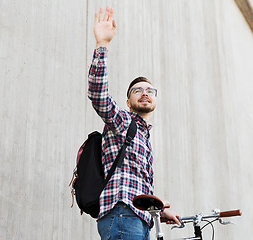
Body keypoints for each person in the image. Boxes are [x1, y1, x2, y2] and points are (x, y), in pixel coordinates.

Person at [88, 6, 180, 240]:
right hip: (122, 213)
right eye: (137, 90)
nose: (145, 93)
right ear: (128, 102)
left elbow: (135, 179)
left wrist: (159, 209)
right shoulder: (122, 122)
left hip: (140, 219)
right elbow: (98, 95)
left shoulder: (145, 136)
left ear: (156, 99)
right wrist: (103, 44)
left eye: (150, 90)